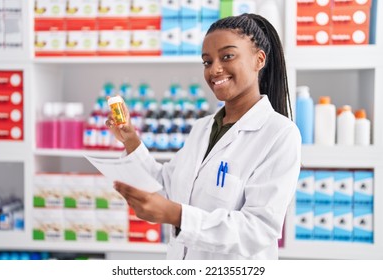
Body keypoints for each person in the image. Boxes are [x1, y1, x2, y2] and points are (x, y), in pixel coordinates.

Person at [106, 13, 301, 260]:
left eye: (227, 56)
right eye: (207, 62)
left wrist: (177, 216)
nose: (215, 69)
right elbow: (167, 186)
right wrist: (130, 139)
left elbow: (257, 229)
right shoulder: (202, 128)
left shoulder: (279, 134)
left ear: (258, 59)